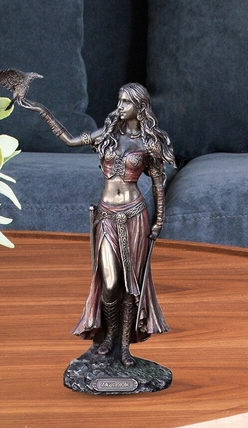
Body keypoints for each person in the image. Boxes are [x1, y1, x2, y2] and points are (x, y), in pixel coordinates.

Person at [24, 83, 175, 366]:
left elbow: (158, 184)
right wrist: (41, 110)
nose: (120, 107)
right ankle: (108, 335)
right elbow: (69, 140)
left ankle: (124, 345)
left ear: (140, 107)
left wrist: (159, 220)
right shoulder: (107, 135)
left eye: (126, 102)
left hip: (134, 215)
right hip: (106, 215)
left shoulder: (150, 143)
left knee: (131, 285)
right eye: (119, 100)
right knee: (109, 282)